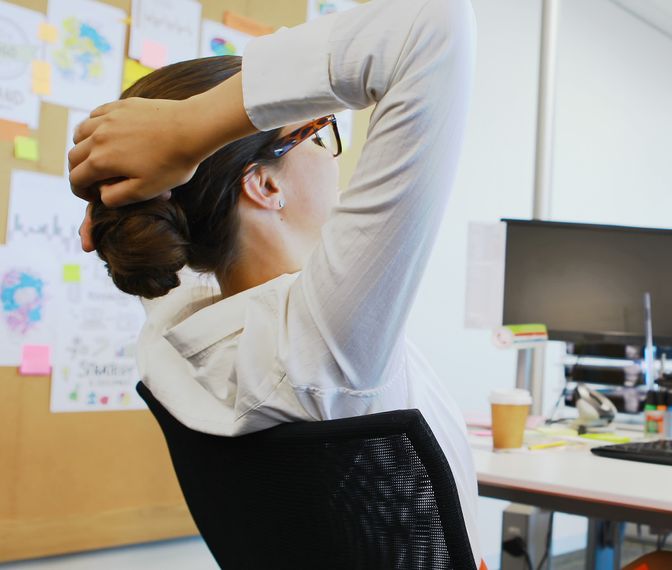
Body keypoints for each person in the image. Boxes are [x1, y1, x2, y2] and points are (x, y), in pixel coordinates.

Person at [66, 0, 481, 564]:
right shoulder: (322, 346)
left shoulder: (176, 336)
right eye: (317, 134)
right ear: (263, 184)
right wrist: (188, 129)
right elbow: (436, 22)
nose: (333, 155)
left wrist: (126, 196)